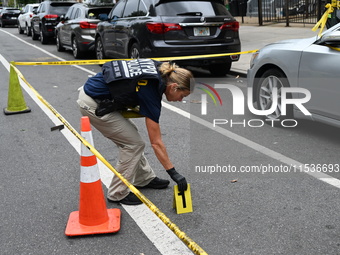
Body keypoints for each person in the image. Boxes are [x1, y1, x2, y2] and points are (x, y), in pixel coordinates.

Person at [77, 58, 193, 205]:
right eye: (183, 96)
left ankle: (143, 178)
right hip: (93, 103)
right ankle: (117, 193)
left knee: (132, 137)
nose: (180, 100)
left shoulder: (160, 69)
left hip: (97, 94)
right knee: (133, 144)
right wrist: (173, 173)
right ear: (174, 87)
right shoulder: (151, 90)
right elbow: (156, 143)